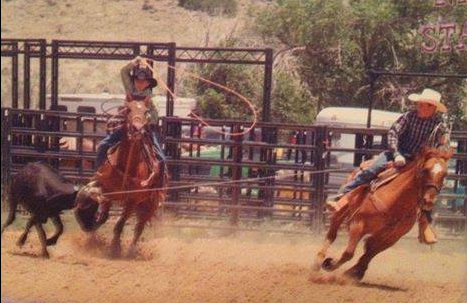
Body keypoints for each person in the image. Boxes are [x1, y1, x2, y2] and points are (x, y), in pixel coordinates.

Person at [326, 88, 448, 244]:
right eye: (421, 103)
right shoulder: (409, 117)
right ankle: (341, 198)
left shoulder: (439, 125)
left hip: (420, 162)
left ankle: (426, 225)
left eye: (426, 104)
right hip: (397, 154)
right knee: (371, 170)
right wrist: (397, 153)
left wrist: (437, 156)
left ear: (433, 108)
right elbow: (393, 133)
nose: (421, 106)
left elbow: (443, 145)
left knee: (432, 185)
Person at [95, 56, 165, 170]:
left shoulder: (152, 99)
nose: (140, 83)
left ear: (148, 83)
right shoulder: (130, 89)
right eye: (137, 80)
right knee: (103, 145)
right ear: (134, 81)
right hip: (128, 128)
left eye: (143, 81)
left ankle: (160, 182)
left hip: (147, 130)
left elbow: (155, 117)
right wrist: (133, 62)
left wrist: (144, 118)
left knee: (161, 158)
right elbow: (124, 71)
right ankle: (98, 174)